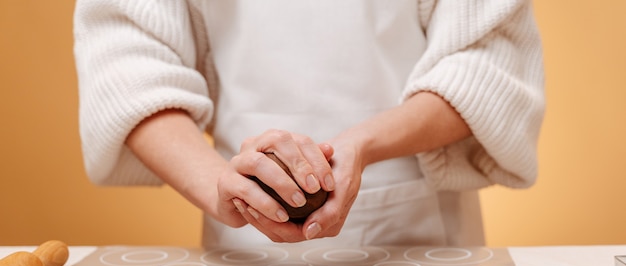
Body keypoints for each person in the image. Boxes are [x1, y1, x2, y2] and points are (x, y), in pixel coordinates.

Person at [73, 0, 545, 249]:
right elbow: (127, 67)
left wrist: (361, 144)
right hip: (242, 253)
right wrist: (221, 183)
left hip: (417, 240)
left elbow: (486, 63)